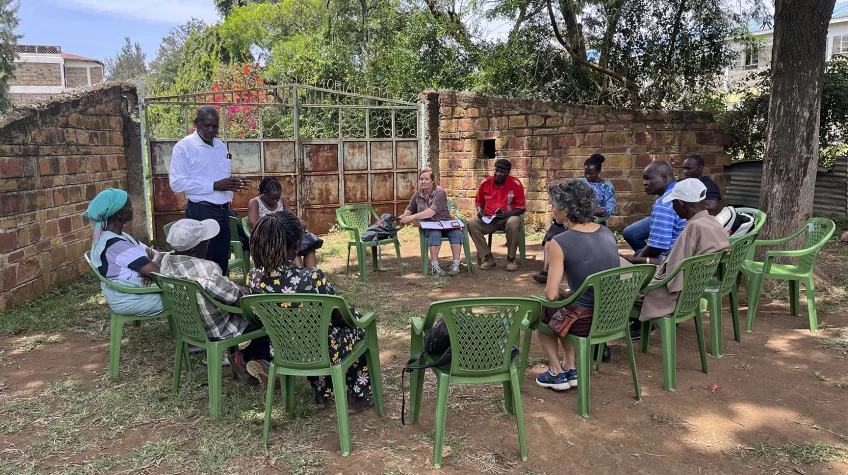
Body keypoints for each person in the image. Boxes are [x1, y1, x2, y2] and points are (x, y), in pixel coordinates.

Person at [246, 211, 372, 413]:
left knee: (310, 333)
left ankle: (322, 391)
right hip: (318, 349)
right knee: (357, 330)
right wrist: (356, 318)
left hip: (282, 349)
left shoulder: (253, 277)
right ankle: (355, 396)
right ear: (297, 246)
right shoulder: (311, 277)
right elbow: (338, 314)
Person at [160, 219, 271, 383]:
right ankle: (247, 357)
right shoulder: (206, 270)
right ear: (193, 248)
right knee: (269, 317)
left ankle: (248, 357)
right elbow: (237, 299)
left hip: (189, 325)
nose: (208, 243)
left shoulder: (166, 262)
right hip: (219, 327)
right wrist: (252, 292)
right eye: (204, 241)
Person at [534, 180, 621, 390]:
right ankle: (570, 367)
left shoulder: (560, 241)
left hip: (584, 321)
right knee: (569, 303)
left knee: (543, 311)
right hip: (611, 316)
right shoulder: (607, 233)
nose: (552, 208)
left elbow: (551, 294)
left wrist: (563, 294)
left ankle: (556, 371)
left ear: (565, 209)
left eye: (554, 204)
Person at [623, 179, 729, 335]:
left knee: (613, 280)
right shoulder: (713, 223)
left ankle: (608, 333)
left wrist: (633, 269)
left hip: (667, 298)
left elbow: (670, 275)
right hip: (691, 294)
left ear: (680, 204)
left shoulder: (692, 229)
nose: (673, 208)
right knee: (632, 262)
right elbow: (676, 264)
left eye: (673, 204)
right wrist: (638, 260)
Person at [169, 106, 248, 275]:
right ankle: (202, 299)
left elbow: (220, 178)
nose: (211, 130)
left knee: (221, 262)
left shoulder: (220, 146)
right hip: (201, 211)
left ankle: (221, 296)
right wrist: (213, 185)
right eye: (207, 125)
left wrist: (232, 184)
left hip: (223, 212)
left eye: (215, 126)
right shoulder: (184, 147)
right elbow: (176, 183)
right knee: (203, 263)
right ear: (196, 124)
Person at [533, 154, 617, 284]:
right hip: (570, 218)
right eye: (586, 173)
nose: (588, 176)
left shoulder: (607, 186)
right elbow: (563, 193)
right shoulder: (579, 182)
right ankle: (546, 271)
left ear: (599, 171)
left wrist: (585, 210)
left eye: (591, 173)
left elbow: (610, 208)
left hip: (592, 220)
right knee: (551, 238)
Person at [84, 189, 164, 316]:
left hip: (129, 293)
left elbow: (154, 254)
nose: (132, 209)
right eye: (129, 207)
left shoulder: (113, 237)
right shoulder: (117, 245)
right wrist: (150, 269)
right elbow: (157, 271)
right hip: (132, 300)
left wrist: (149, 269)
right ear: (119, 214)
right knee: (188, 296)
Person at [247, 177, 322, 268]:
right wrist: (274, 224)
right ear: (264, 193)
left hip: (286, 235)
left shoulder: (282, 201)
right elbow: (253, 223)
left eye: (277, 198)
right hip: (267, 237)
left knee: (310, 248)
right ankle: (299, 275)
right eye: (272, 198)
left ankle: (311, 274)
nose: (275, 200)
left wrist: (299, 222)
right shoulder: (255, 202)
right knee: (292, 248)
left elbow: (292, 218)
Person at [399, 168, 463, 276]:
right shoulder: (417, 195)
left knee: (456, 233)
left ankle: (456, 265)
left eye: (426, 179)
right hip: (430, 225)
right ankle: (435, 266)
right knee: (434, 234)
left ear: (433, 181)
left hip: (445, 223)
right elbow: (410, 208)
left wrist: (413, 217)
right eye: (421, 179)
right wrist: (405, 216)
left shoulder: (440, 191)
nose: (423, 181)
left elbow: (432, 211)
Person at [466, 159, 526, 271]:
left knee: (514, 221)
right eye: (496, 170)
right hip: (489, 220)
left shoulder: (515, 184)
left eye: (502, 171)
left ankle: (511, 259)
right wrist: (480, 210)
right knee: (471, 224)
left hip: (507, 219)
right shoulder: (485, 183)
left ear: (508, 172)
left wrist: (506, 215)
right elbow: (479, 202)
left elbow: (521, 208)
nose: (498, 174)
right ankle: (488, 258)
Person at [622, 161, 686, 259]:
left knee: (633, 256)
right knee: (633, 239)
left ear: (664, 178)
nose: (644, 183)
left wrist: (637, 260)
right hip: (684, 254)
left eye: (648, 179)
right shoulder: (682, 191)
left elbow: (656, 248)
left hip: (669, 261)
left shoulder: (664, 204)